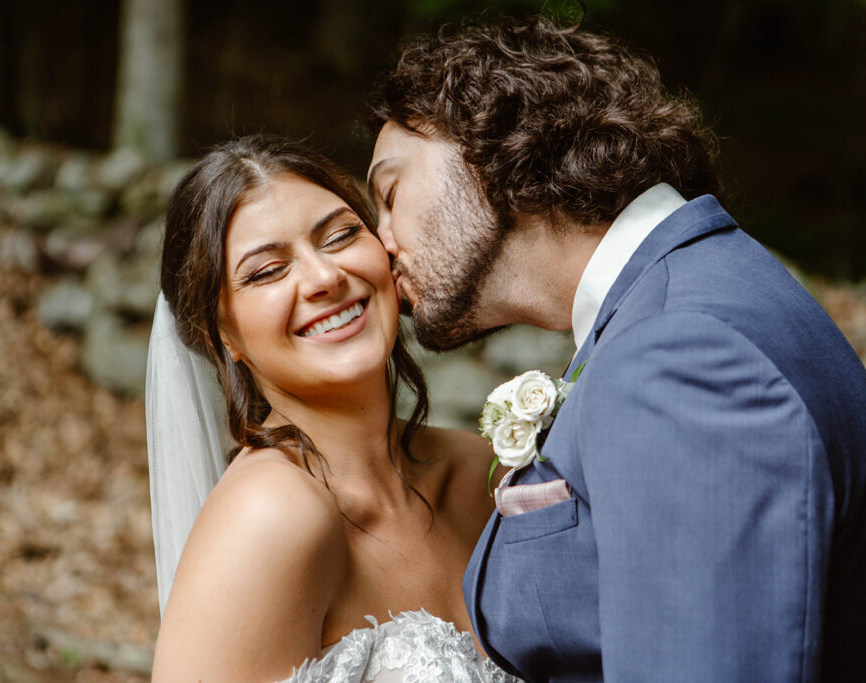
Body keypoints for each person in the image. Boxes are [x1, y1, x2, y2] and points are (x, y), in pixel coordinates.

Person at [366, 15, 866, 683]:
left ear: (487, 138)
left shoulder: (680, 353)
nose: (380, 242)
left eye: (390, 193)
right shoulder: (679, 301)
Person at [146, 134, 521, 682]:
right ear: (220, 333)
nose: (325, 278)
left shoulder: (482, 471)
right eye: (266, 271)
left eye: (342, 235)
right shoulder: (269, 516)